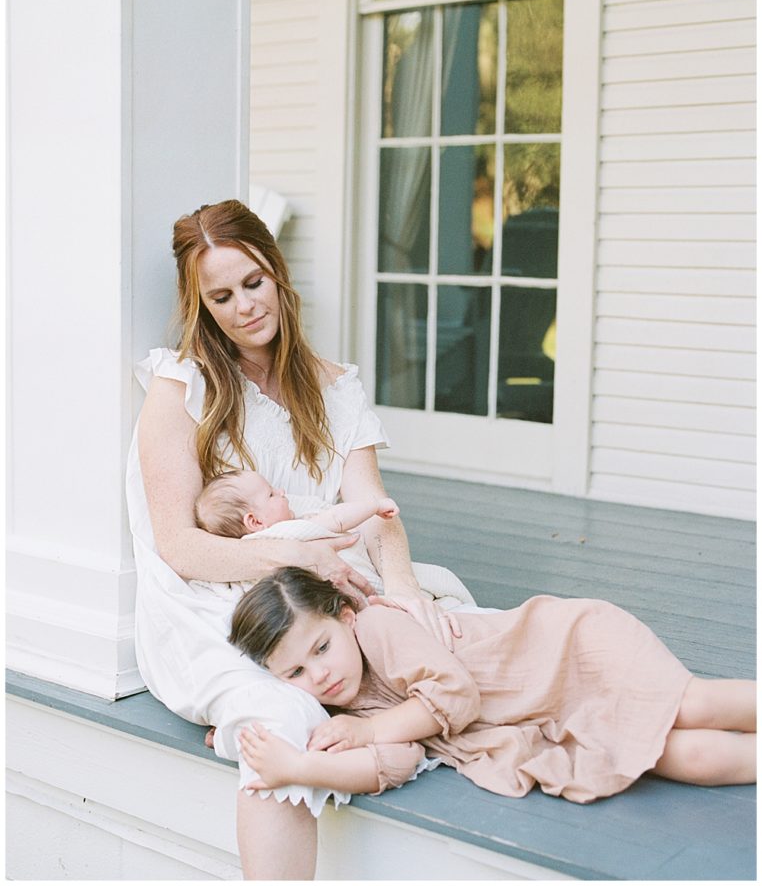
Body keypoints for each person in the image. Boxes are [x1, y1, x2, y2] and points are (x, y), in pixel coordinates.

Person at [124, 199, 464, 880]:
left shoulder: (335, 386)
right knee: (280, 710)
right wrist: (293, 553)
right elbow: (179, 546)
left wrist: (401, 589)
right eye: (220, 296)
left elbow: (374, 511)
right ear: (201, 305)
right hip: (211, 599)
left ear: (276, 273)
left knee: (443, 638)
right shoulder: (181, 386)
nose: (244, 307)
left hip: (322, 585)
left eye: (253, 283)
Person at [230, 568, 757, 803]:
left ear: (344, 616)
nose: (319, 674)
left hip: (565, 653)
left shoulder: (375, 628)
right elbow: (395, 762)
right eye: (295, 673)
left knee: (694, 704)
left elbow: (453, 693)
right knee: (684, 758)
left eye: (320, 649)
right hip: (550, 718)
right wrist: (302, 764)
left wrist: (367, 732)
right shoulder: (345, 706)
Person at [191, 469, 475, 609]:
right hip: (363, 582)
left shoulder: (246, 549)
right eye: (271, 494)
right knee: (439, 578)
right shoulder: (290, 531)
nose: (281, 491)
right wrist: (374, 507)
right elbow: (337, 519)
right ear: (255, 521)